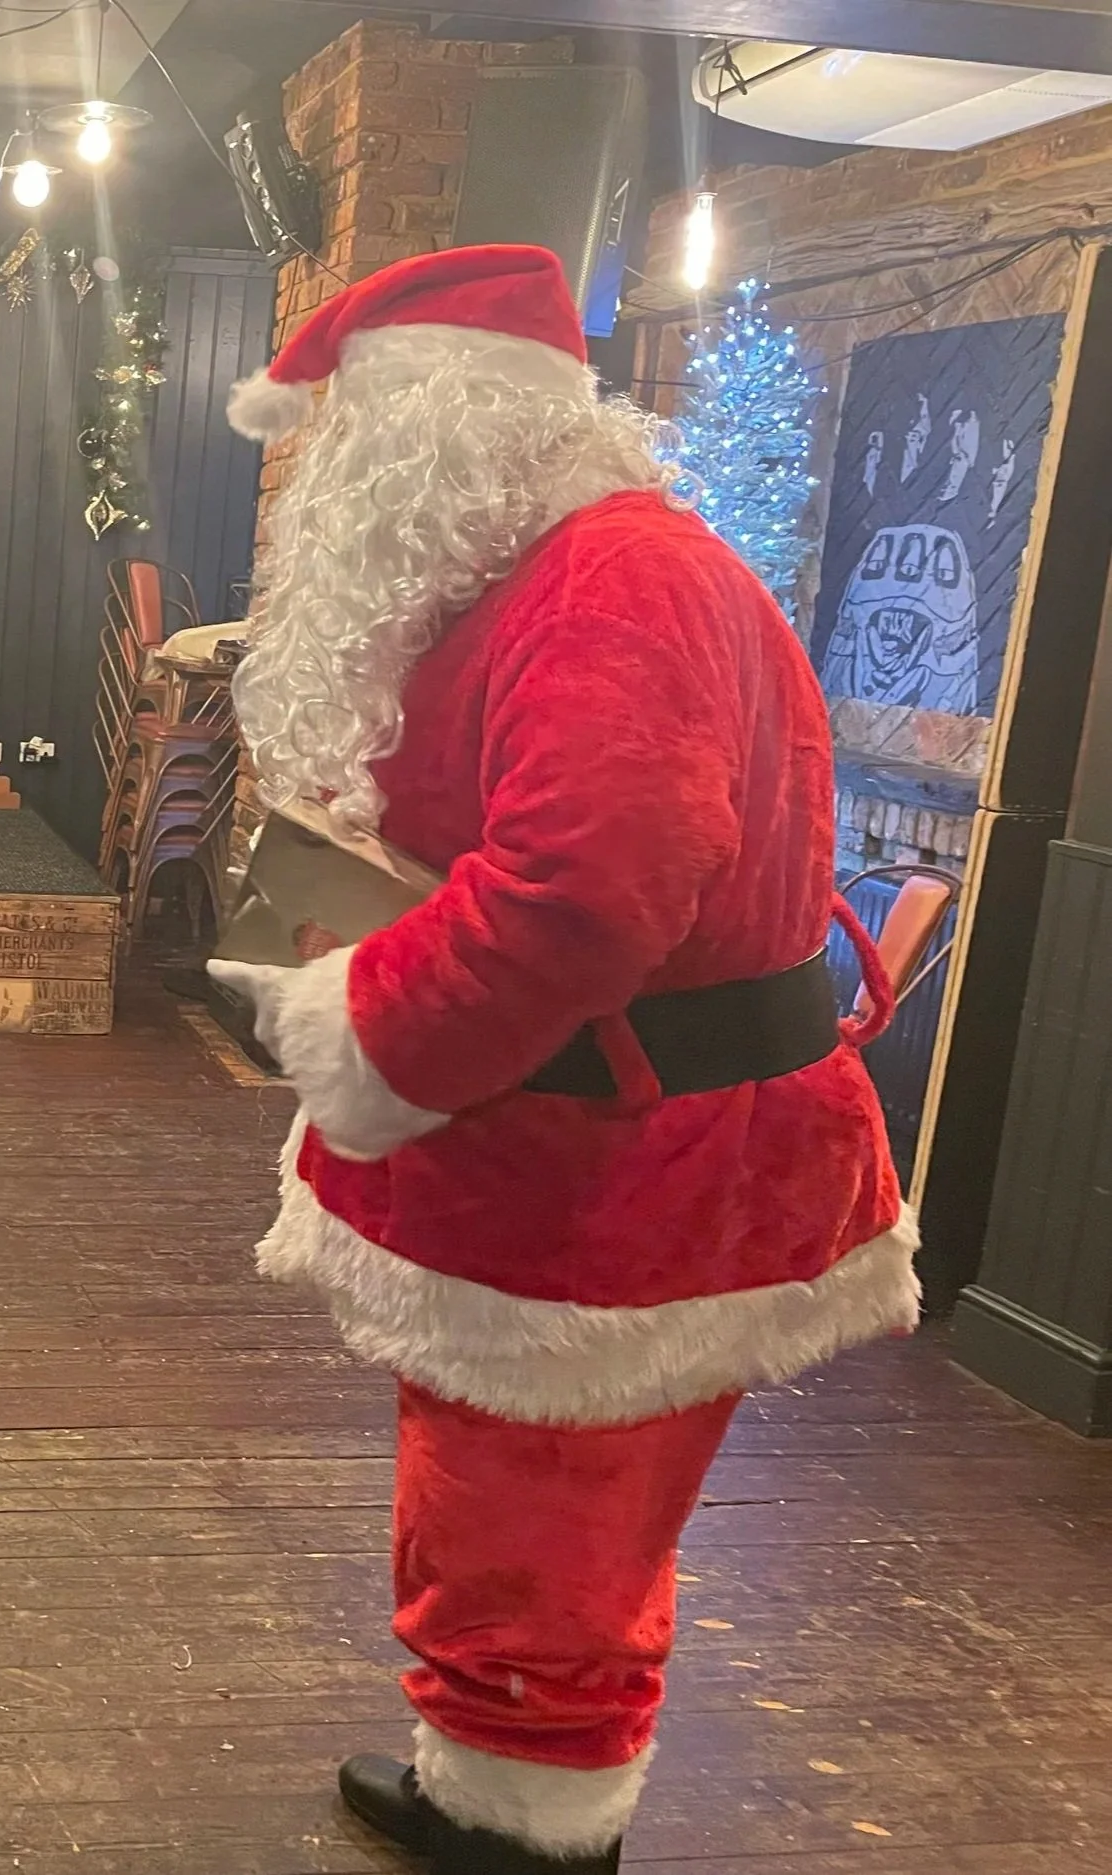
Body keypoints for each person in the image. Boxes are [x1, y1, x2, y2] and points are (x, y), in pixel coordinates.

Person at [211, 246, 919, 1875]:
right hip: (594, 1155)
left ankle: (527, 1840)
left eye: (349, 436)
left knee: (543, 1539)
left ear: (437, 422)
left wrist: (361, 1027)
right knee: (510, 1524)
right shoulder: (575, 567)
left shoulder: (608, 583)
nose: (331, 482)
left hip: (623, 1182)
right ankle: (489, 1792)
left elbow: (589, 893)